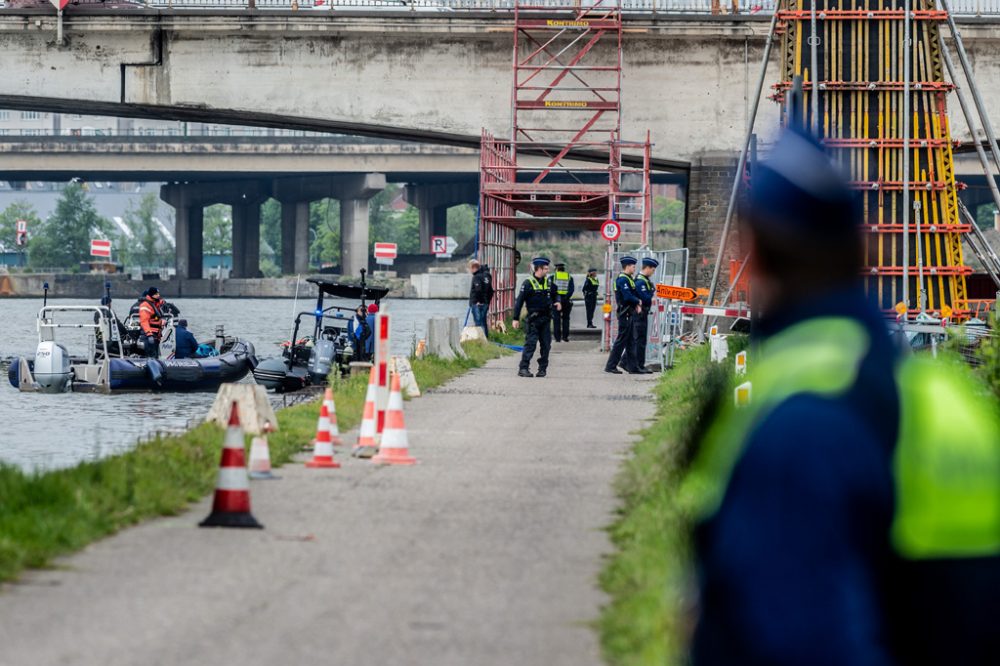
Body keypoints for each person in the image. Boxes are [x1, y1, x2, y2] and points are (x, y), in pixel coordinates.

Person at [684, 126, 1000, 665]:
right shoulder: (948, 397)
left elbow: (804, 635)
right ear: (863, 249)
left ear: (751, 251)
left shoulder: (799, 413)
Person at [511, 256, 560, 378]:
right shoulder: (528, 283)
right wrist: (515, 318)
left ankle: (542, 369)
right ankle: (523, 368)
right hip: (533, 320)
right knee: (530, 344)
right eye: (545, 268)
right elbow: (519, 302)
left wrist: (558, 301)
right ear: (538, 269)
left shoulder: (549, 283)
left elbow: (556, 293)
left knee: (546, 345)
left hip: (546, 319)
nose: (548, 270)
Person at [603, 256, 642, 374]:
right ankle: (610, 366)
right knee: (621, 341)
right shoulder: (622, 280)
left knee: (631, 342)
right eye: (633, 266)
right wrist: (638, 301)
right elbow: (627, 296)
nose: (634, 268)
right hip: (625, 313)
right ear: (628, 266)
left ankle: (632, 367)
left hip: (629, 313)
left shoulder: (628, 279)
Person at [632, 258, 657, 373]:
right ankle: (638, 366)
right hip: (640, 314)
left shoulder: (644, 280)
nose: (653, 272)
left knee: (640, 340)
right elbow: (646, 298)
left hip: (643, 313)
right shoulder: (640, 281)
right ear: (647, 268)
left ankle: (633, 364)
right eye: (652, 269)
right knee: (640, 341)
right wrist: (651, 292)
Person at [468, 259, 494, 338]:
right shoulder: (486, 277)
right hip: (485, 303)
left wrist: (478, 301)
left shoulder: (477, 277)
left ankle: (480, 339)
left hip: (477, 303)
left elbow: (478, 290)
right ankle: (486, 338)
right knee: (483, 322)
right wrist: (487, 302)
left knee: (478, 323)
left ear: (473, 267)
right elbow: (491, 291)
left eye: (470, 268)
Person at [137, 286, 164, 359]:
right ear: (151, 295)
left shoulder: (155, 303)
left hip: (156, 335)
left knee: (155, 355)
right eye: (156, 294)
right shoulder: (145, 305)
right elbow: (144, 321)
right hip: (149, 335)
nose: (158, 295)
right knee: (150, 355)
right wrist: (149, 334)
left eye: (158, 293)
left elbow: (160, 303)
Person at [551, 261, 575, 342]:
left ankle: (557, 338)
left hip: (556, 300)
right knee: (566, 319)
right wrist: (566, 298)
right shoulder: (569, 277)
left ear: (556, 269)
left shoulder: (552, 277)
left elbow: (550, 289)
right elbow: (571, 290)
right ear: (563, 269)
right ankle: (565, 337)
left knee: (556, 320)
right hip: (566, 300)